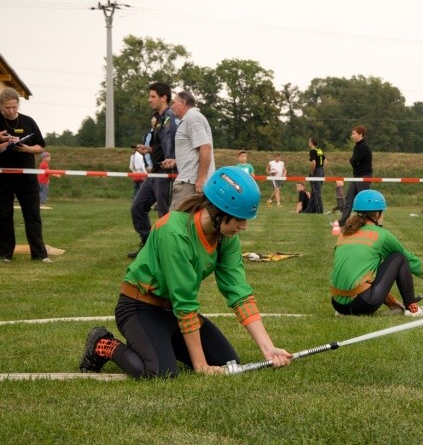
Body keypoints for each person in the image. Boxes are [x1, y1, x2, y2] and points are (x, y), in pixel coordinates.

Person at [79, 166, 293, 378]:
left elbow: (239, 292)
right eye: (239, 219)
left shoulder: (226, 238)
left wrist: (268, 348)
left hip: (170, 311)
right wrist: (201, 365)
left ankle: (163, 344)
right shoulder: (174, 232)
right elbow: (185, 301)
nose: (244, 226)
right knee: (160, 372)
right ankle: (101, 343)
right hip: (139, 307)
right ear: (218, 212)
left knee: (229, 364)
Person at [330, 190, 423, 317]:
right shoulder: (381, 235)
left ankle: (393, 307)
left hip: (338, 304)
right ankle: (412, 309)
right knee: (399, 258)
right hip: (362, 304)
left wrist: (393, 303)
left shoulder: (344, 233)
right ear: (378, 214)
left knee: (370, 266)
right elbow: (410, 260)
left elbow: (362, 275)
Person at [0, 88, 51, 263]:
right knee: (4, 215)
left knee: (33, 215)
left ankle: (39, 254)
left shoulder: (28, 122)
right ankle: (5, 254)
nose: (11, 111)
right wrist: (4, 143)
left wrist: (28, 148)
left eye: (14, 107)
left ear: (18, 105)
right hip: (3, 178)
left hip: (26, 176)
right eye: (7, 108)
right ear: (1, 106)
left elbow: (40, 146)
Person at [128, 82, 178, 259]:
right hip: (154, 172)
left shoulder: (171, 117)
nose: (149, 100)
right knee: (137, 207)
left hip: (166, 173)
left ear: (164, 97)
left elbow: (173, 144)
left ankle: (166, 252)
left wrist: (173, 161)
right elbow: (160, 145)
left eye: (153, 96)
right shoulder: (158, 118)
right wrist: (148, 150)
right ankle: (147, 243)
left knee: (164, 215)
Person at [166, 90, 215, 210]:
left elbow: (205, 147)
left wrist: (201, 179)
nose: (171, 106)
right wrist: (177, 161)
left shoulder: (192, 118)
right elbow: (196, 151)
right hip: (191, 181)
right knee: (192, 224)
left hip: (190, 183)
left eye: (174, 102)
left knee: (175, 223)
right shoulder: (191, 118)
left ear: (183, 103)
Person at [339, 126, 372, 226]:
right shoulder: (357, 146)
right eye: (352, 133)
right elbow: (354, 161)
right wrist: (352, 161)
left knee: (363, 199)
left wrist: (352, 161)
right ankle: (342, 222)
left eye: (354, 133)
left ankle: (366, 221)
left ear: (360, 134)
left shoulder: (364, 147)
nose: (351, 135)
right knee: (349, 197)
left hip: (364, 176)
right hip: (356, 176)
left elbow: (353, 161)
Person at [304, 138, 325, 213]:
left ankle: (320, 210)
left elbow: (313, 163)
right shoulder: (319, 150)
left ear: (312, 143)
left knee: (316, 192)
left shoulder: (312, 150)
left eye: (309, 141)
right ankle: (309, 210)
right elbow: (325, 160)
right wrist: (321, 170)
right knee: (313, 192)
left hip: (316, 171)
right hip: (321, 171)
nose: (308, 143)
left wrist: (312, 172)